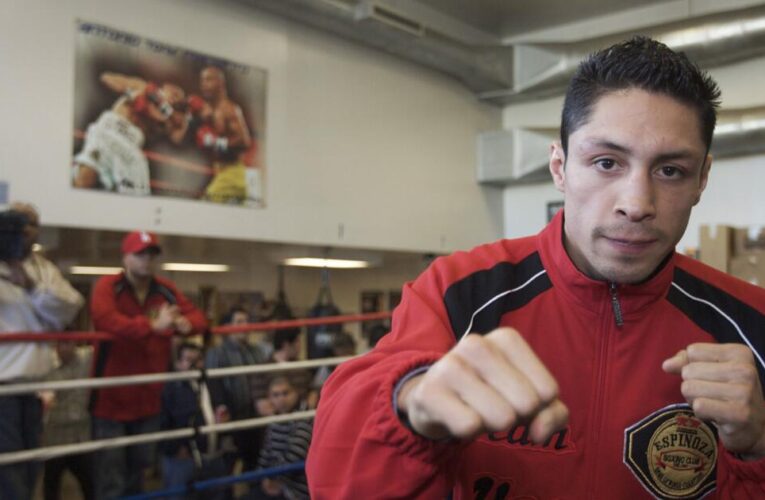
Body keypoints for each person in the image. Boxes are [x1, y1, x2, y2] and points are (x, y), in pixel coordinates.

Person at [306, 37, 765, 499]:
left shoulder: (751, 322)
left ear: (701, 179)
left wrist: (759, 449)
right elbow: (334, 476)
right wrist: (409, 409)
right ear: (560, 167)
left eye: (670, 171)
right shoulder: (459, 292)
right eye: (606, 162)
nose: (636, 204)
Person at [89, 230, 207, 498]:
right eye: (139, 254)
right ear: (126, 258)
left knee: (137, 476)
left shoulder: (165, 289)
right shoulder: (108, 286)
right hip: (111, 401)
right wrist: (154, 326)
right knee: (111, 478)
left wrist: (184, 325)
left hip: (149, 400)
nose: (146, 260)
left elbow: (198, 317)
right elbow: (105, 319)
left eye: (151, 254)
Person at [0, 206, 84, 500]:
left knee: (31, 462)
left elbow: (71, 304)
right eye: (18, 224)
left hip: (36, 384)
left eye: (32, 224)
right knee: (8, 467)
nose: (26, 230)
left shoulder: (43, 268)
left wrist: (32, 286)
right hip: (4, 385)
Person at [73, 72, 188, 195]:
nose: (174, 98)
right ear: (166, 87)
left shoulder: (169, 118)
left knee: (137, 200)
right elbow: (106, 78)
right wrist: (131, 93)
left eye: (178, 100)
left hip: (130, 150)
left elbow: (178, 137)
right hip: (108, 132)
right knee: (83, 181)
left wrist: (164, 107)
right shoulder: (142, 87)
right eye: (174, 93)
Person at [160, 342, 228, 500]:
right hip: (184, 459)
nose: (194, 365)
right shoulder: (171, 388)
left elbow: (223, 404)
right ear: (178, 364)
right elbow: (163, 423)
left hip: (214, 455)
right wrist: (176, 448)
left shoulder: (211, 381)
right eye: (188, 360)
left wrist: (223, 412)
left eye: (197, 360)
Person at [205, 307, 267, 471]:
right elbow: (213, 385)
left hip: (255, 418)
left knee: (255, 464)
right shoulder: (217, 353)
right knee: (227, 466)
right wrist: (222, 410)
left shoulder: (257, 351)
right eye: (239, 321)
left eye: (247, 321)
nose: (245, 325)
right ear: (227, 327)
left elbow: (265, 378)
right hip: (231, 418)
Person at [188, 66, 253, 204]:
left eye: (209, 80)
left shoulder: (229, 109)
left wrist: (217, 142)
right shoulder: (210, 109)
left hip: (232, 175)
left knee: (204, 209)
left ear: (221, 83)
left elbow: (245, 141)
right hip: (222, 173)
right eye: (202, 80)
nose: (204, 84)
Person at [42, 341, 93, 500]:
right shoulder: (46, 365)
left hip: (80, 434)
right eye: (61, 344)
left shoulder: (85, 358)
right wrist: (43, 395)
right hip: (56, 435)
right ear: (55, 345)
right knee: (51, 481)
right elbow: (41, 391)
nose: (65, 347)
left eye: (69, 343)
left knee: (89, 482)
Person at [251, 377, 312, 500]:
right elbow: (266, 452)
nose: (281, 399)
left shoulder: (305, 416)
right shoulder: (276, 419)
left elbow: (295, 455)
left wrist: (272, 478)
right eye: (276, 395)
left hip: (298, 488)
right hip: (278, 481)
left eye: (286, 393)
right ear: (270, 398)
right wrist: (263, 477)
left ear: (296, 393)